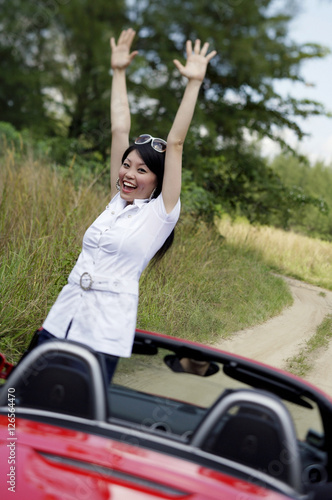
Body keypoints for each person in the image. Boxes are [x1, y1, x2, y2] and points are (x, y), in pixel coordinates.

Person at [29, 28, 217, 382]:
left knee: (73, 423)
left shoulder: (160, 214)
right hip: (60, 321)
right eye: (126, 165)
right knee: (18, 410)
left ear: (159, 181)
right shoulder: (116, 202)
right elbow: (119, 128)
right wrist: (118, 72)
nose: (129, 174)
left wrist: (193, 84)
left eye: (142, 170)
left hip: (102, 334)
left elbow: (175, 143)